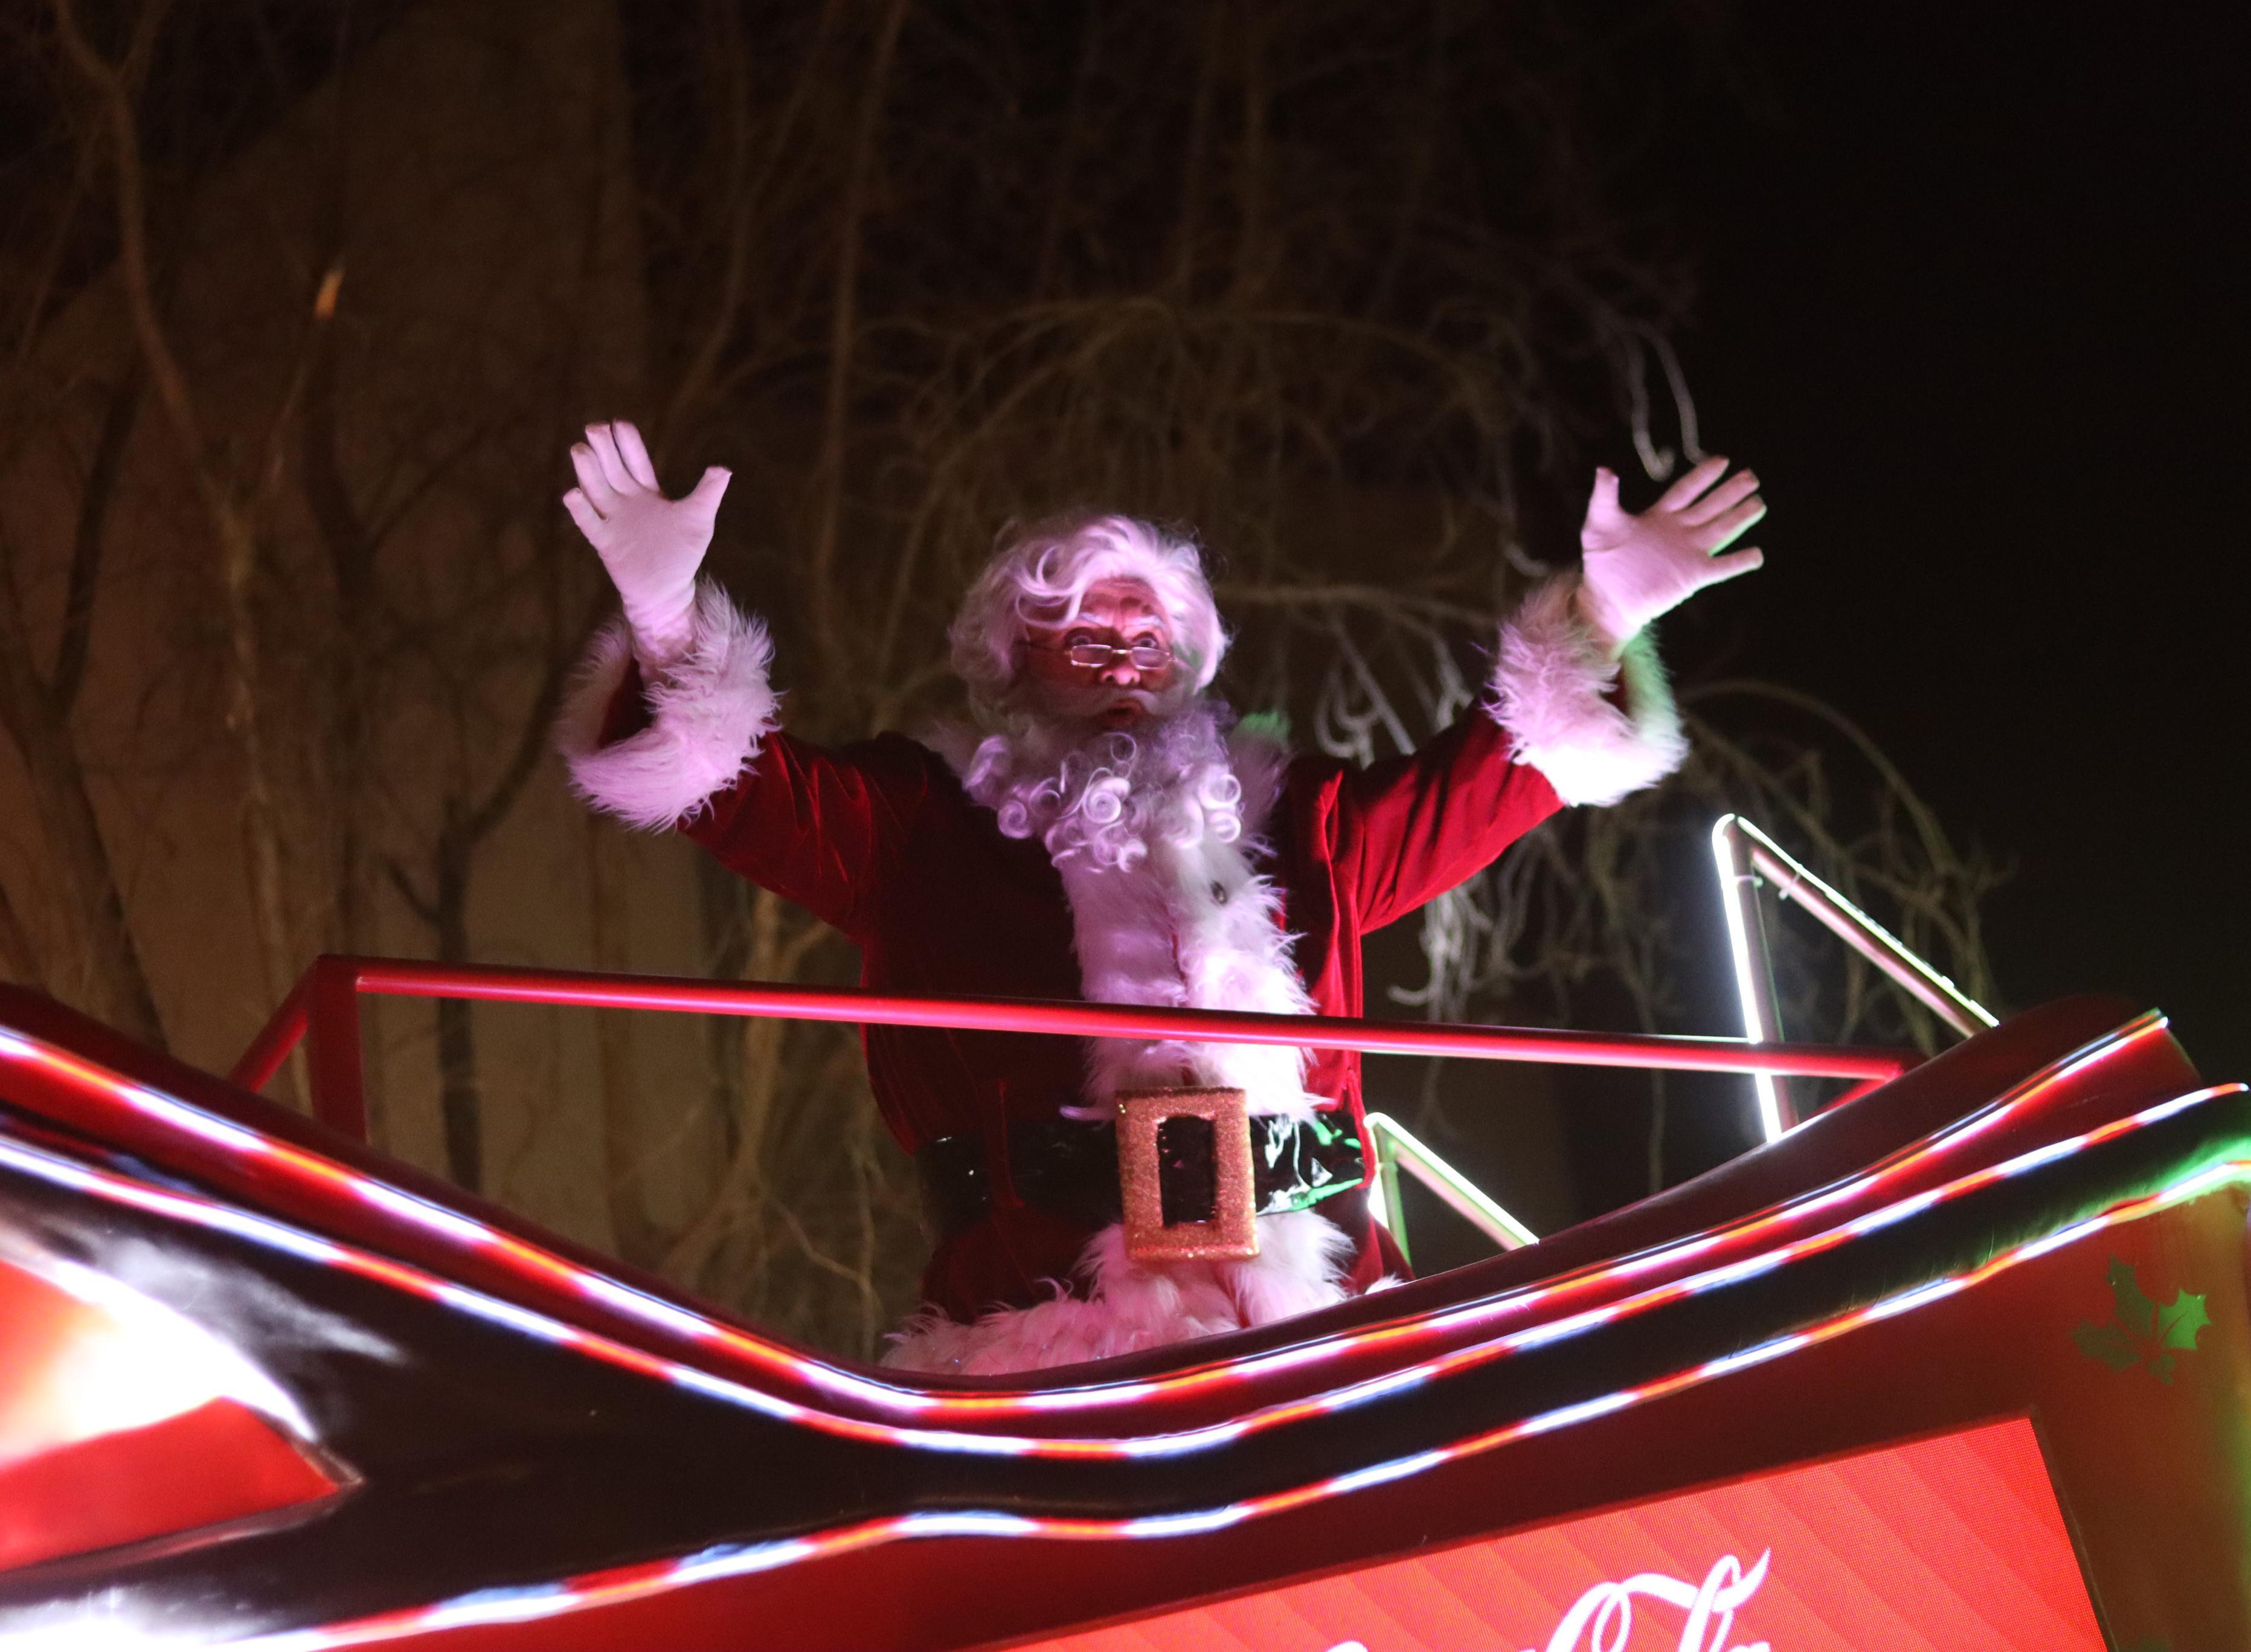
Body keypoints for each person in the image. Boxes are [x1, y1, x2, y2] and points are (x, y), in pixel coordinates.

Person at [554, 420, 1766, 1374]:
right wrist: (663, 618)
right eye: (1085, 633)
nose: (1124, 655)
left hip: (1312, 1303)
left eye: (1149, 636)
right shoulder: (920, 821)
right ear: (1011, 656)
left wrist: (1604, 616)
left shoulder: (1302, 821)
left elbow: (1496, 777)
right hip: (1043, 1317)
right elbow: (740, 789)